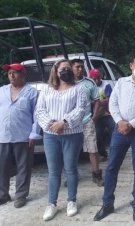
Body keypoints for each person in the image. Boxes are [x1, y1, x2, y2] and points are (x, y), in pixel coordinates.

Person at [94, 53, 135, 222]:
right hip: (119, 130)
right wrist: (119, 121)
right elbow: (113, 103)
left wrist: (131, 124)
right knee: (111, 168)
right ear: (131, 65)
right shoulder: (121, 83)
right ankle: (107, 203)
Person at [35, 59, 86, 221]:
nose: (66, 71)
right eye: (63, 68)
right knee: (53, 171)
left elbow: (80, 110)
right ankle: (52, 203)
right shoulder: (47, 89)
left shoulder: (79, 89)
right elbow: (40, 110)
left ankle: (72, 200)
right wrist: (51, 124)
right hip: (51, 136)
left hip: (72, 134)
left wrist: (63, 122)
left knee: (70, 168)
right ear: (56, 71)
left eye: (68, 68)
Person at [0, 63, 42, 208]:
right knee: (2, 166)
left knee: (23, 166)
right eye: (9, 72)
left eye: (15, 72)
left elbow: (38, 115)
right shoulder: (2, 91)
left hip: (23, 136)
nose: (11, 75)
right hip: (3, 135)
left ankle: (21, 195)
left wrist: (34, 134)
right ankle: (2, 194)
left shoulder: (31, 92)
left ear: (23, 75)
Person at [71, 59, 103, 186]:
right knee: (71, 151)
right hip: (71, 123)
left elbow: (96, 101)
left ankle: (96, 175)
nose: (80, 69)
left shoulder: (89, 83)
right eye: (77, 67)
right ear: (71, 68)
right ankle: (72, 176)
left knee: (92, 149)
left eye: (82, 67)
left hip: (86, 121)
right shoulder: (67, 83)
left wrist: (94, 116)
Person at [89, 68, 115, 160]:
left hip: (108, 114)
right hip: (97, 116)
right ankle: (103, 153)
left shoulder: (106, 85)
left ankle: (113, 154)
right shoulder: (90, 86)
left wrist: (95, 102)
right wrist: (99, 102)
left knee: (114, 133)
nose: (96, 80)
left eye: (98, 78)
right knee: (97, 136)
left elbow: (108, 100)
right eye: (94, 78)